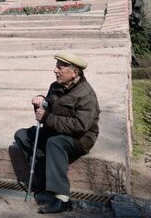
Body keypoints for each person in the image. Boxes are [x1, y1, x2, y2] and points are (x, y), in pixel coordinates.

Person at [14, 53, 100, 214]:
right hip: (54, 131)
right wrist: (40, 101)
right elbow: (47, 108)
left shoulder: (86, 94)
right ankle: (44, 181)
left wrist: (48, 118)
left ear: (74, 72)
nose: (55, 71)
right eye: (56, 67)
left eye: (60, 67)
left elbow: (80, 126)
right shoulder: (55, 86)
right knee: (22, 136)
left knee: (55, 143)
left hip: (80, 139)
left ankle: (62, 199)